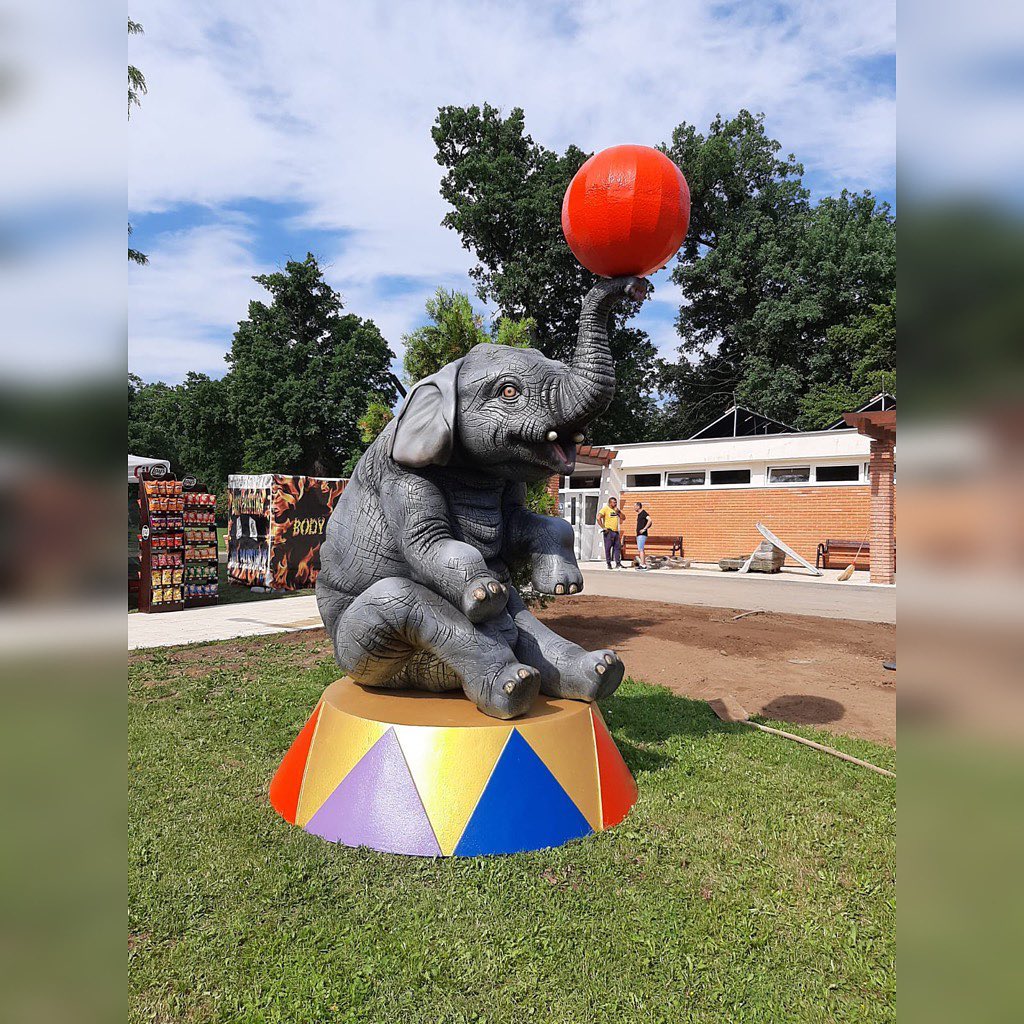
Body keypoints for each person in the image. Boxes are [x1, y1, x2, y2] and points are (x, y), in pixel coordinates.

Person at [597, 496, 623, 569]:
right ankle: (608, 563)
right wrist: (603, 527)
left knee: (617, 548)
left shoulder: (616, 510)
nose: (615, 504)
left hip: (616, 531)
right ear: (610, 503)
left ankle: (618, 563)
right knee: (608, 548)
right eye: (614, 502)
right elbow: (598, 518)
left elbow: (623, 518)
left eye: (616, 502)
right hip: (609, 531)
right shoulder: (605, 509)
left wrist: (619, 512)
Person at [634, 501, 652, 570]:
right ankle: (643, 564)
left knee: (641, 549)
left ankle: (643, 565)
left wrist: (644, 529)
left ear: (638, 506)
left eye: (635, 506)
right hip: (639, 535)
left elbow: (650, 520)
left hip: (642, 535)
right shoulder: (639, 514)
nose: (634, 508)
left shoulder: (643, 513)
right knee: (640, 549)